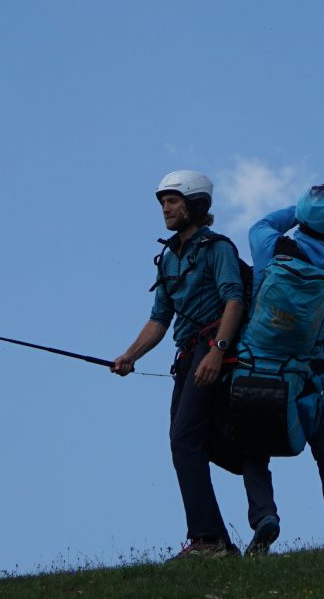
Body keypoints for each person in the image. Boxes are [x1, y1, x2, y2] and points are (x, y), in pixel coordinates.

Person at [110, 170, 273, 561]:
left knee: (184, 439)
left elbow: (233, 300)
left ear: (194, 205)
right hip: (186, 357)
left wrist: (217, 350)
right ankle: (224, 524)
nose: (165, 208)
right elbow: (159, 319)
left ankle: (208, 540)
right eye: (163, 202)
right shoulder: (167, 258)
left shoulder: (217, 249)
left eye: (173, 201)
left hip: (214, 348)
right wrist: (130, 355)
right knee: (188, 441)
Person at [236, 184, 324, 555]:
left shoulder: (269, 246)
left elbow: (264, 222)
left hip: (255, 369)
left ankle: (264, 516)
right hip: (307, 379)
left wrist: (300, 210)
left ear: (301, 212)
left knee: (253, 446)